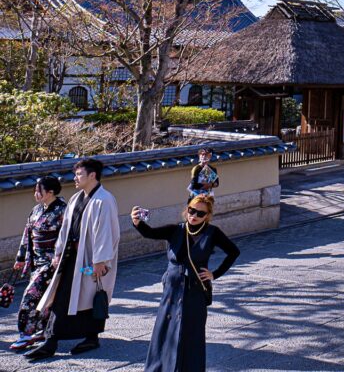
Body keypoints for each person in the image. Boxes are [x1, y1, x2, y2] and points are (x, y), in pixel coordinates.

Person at [131, 194, 240, 372]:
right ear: (187, 209)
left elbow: (233, 252)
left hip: (195, 290)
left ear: (208, 216)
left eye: (200, 213)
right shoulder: (176, 230)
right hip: (172, 290)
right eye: (191, 210)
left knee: (191, 333)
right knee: (165, 330)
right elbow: (151, 233)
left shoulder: (212, 233)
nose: (194, 215)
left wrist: (215, 274)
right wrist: (137, 223)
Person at [27, 158, 120, 361]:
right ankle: (51, 340)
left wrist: (101, 261)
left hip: (90, 260)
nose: (75, 178)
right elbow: (65, 229)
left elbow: (106, 232)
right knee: (63, 297)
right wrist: (59, 252)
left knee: (91, 296)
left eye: (79, 174)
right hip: (72, 257)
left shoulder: (104, 200)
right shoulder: (76, 198)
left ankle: (90, 337)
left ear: (92, 175)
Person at [10, 176, 67, 353]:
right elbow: (27, 233)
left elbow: (66, 236)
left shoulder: (62, 210)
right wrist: (20, 258)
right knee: (44, 298)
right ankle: (41, 330)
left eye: (38, 191)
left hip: (51, 261)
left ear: (50, 192)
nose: (35, 194)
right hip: (35, 259)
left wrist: (60, 256)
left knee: (30, 295)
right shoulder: (36, 209)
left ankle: (25, 334)